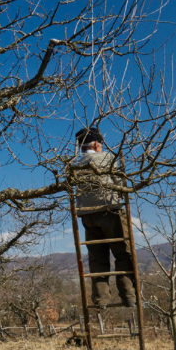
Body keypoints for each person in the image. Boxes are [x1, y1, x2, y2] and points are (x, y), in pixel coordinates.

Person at [74, 128, 137, 309]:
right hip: (110, 211)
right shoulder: (108, 159)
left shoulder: (76, 166)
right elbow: (120, 184)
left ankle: (101, 299)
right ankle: (129, 296)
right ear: (96, 144)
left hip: (87, 215)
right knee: (122, 253)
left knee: (97, 258)